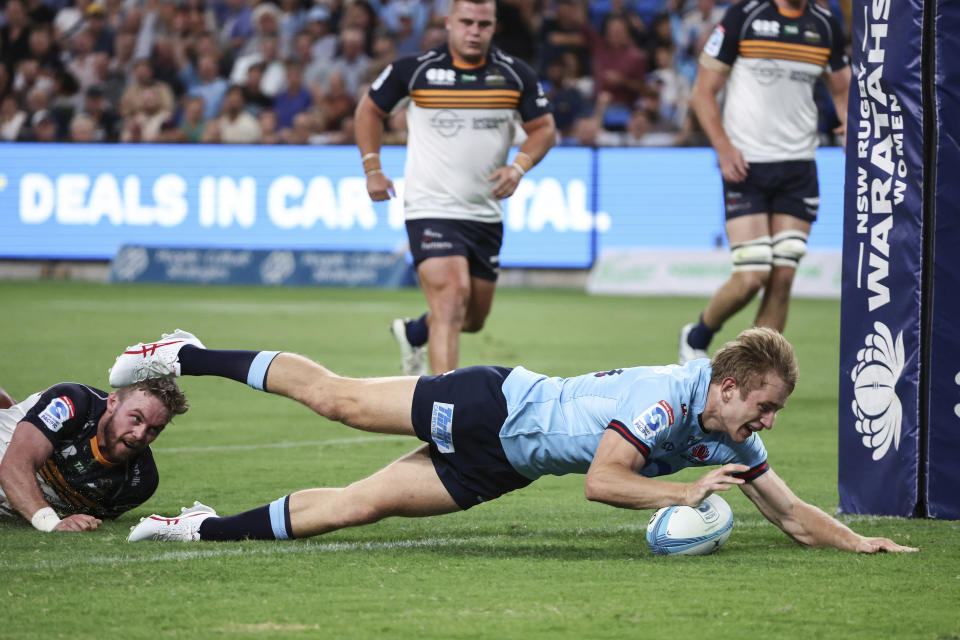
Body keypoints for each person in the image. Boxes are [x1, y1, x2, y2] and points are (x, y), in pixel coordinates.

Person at [117, 328, 916, 553]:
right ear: (731, 388)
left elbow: (786, 509)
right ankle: (183, 354)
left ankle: (194, 525)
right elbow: (603, 482)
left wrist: (855, 542)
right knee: (342, 403)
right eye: (765, 407)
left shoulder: (726, 438)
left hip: (508, 466)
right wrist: (682, 492)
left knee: (355, 509)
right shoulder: (666, 400)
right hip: (493, 407)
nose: (767, 423)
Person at [354, 0, 556, 376]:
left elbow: (544, 128)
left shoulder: (515, 75)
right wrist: (372, 168)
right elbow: (369, 110)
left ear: (494, 26)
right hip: (429, 208)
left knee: (474, 317)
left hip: (484, 213)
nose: (474, 31)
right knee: (450, 300)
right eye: (466, 22)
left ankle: (415, 332)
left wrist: (518, 167)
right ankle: (443, 423)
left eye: (483, 24)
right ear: (448, 23)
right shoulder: (414, 70)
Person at [677, 0, 850, 364]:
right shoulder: (745, 16)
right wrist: (723, 148)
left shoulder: (824, 23)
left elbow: (841, 88)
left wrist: (849, 121)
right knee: (753, 275)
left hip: (799, 167)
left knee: (783, 276)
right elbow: (702, 92)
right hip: (746, 166)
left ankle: (753, 375)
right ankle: (697, 336)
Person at [0, 376, 189, 532]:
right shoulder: (71, 402)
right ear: (113, 402)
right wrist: (51, 522)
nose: (140, 435)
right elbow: (15, 466)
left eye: (154, 429)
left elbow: (88, 518)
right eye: (136, 419)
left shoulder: (139, 482)